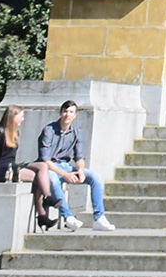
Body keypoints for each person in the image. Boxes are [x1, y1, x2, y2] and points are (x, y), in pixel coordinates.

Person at [0, 105, 55, 228]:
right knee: (38, 178)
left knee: (42, 166)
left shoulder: (15, 132)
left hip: (13, 165)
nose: (23, 119)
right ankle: (42, 213)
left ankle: (47, 199)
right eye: (21, 116)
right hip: (1, 170)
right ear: (13, 117)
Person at [37, 99, 115, 231]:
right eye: (65, 111)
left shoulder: (77, 132)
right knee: (53, 179)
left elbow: (79, 157)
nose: (67, 115)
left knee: (94, 177)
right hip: (48, 167)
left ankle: (99, 218)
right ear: (61, 113)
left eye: (71, 112)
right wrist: (65, 175)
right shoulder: (49, 130)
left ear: (75, 115)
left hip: (65, 166)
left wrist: (81, 170)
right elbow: (45, 160)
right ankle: (68, 217)